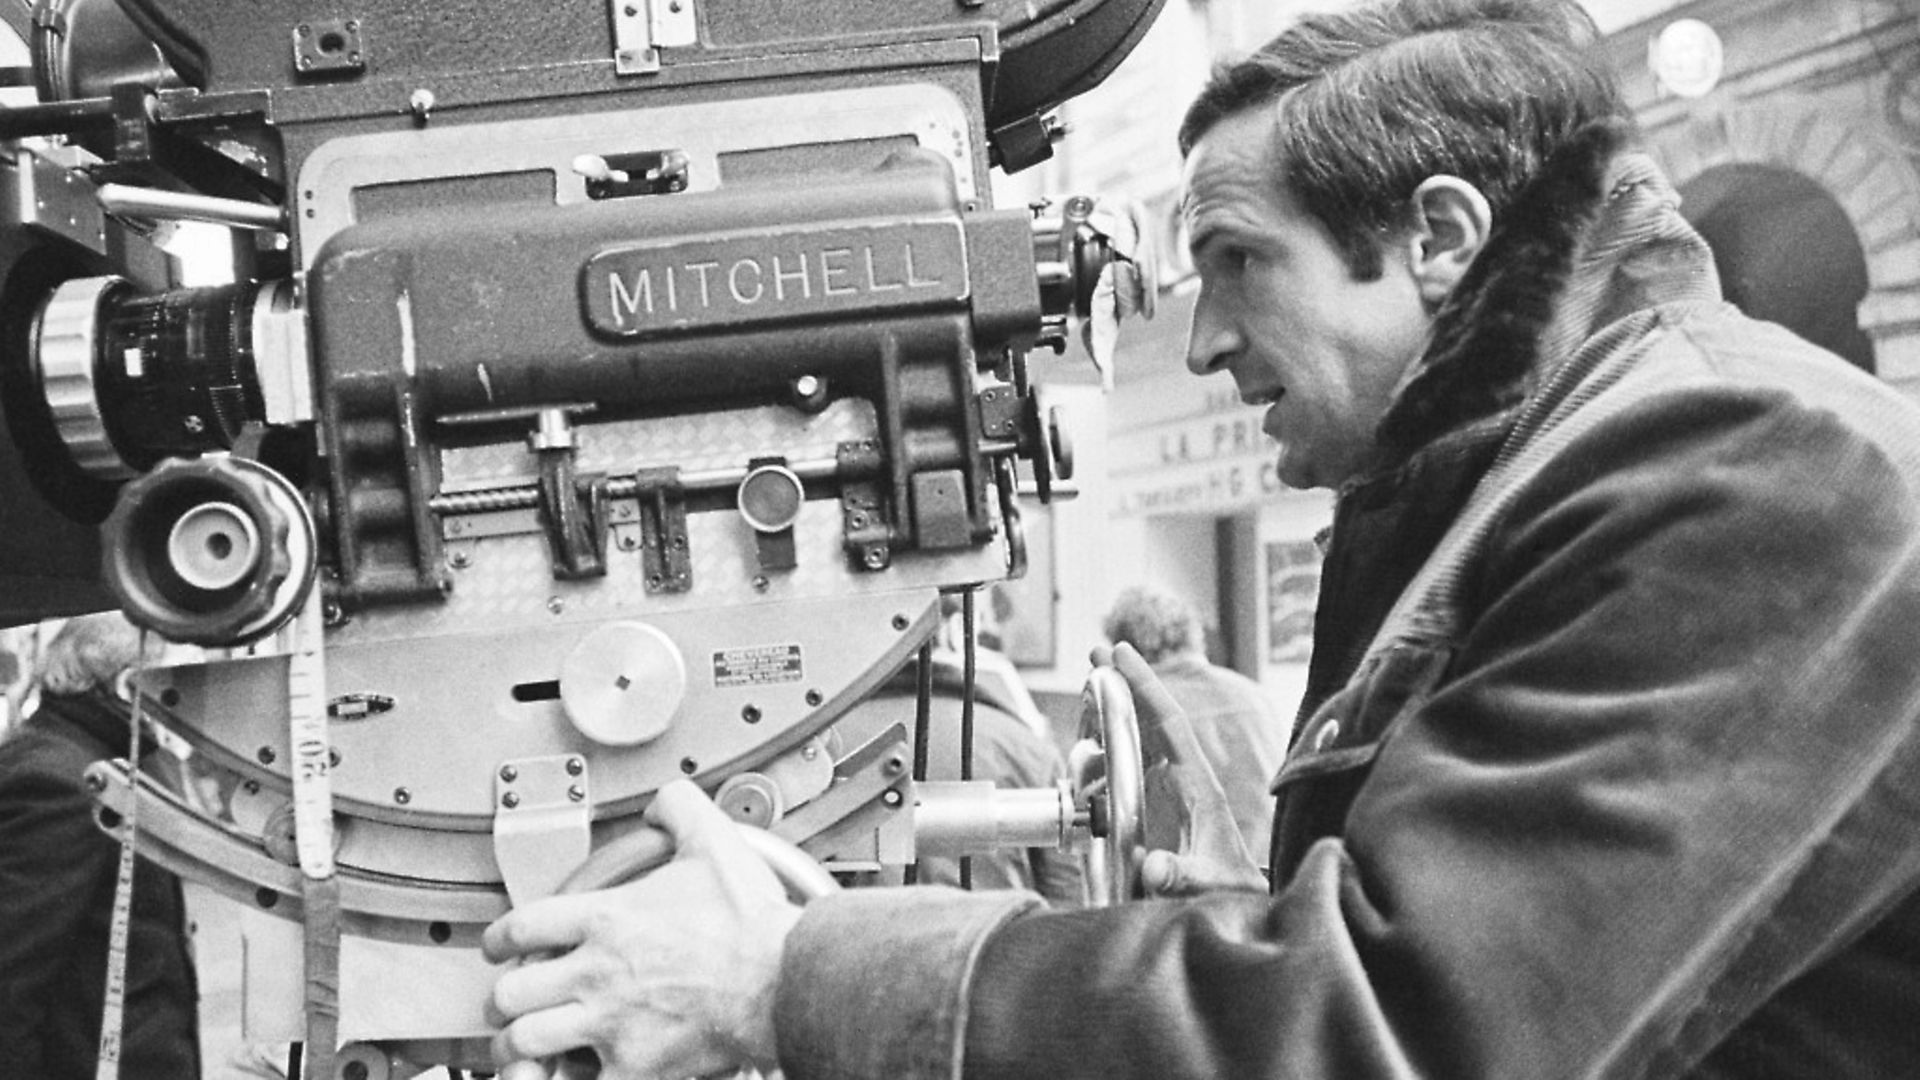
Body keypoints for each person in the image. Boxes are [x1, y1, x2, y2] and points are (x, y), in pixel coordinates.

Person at [481, 1, 1920, 1076]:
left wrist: (791, 976)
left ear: (1440, 236)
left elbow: (1407, 1029)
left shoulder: (1747, 467)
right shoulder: (1510, 479)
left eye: (1238, 260)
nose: (1212, 338)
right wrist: (1236, 915)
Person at [0, 613, 201, 1079]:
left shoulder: (88, 758)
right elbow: (10, 982)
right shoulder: (59, 781)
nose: (185, 706)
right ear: (131, 686)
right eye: (173, 687)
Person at [833, 645, 1085, 905]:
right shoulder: (1028, 748)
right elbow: (1065, 893)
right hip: (992, 938)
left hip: (860, 937)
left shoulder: (823, 747)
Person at [1101, 585, 1283, 860]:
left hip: (1181, 887)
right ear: (1194, 634)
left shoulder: (1131, 712)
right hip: (1267, 878)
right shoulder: (1257, 696)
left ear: (1123, 645)